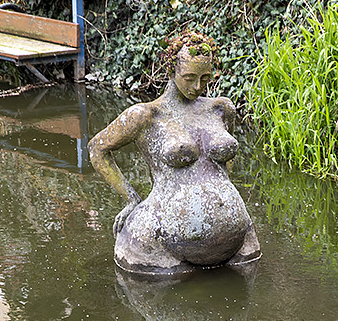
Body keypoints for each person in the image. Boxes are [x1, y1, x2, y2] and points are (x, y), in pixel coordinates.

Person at [88, 31, 261, 275]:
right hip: (162, 243)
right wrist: (131, 199)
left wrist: (222, 188)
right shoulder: (145, 116)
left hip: (238, 244)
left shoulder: (221, 108)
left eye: (205, 78)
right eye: (189, 77)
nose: (198, 86)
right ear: (170, 72)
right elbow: (97, 148)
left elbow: (225, 159)